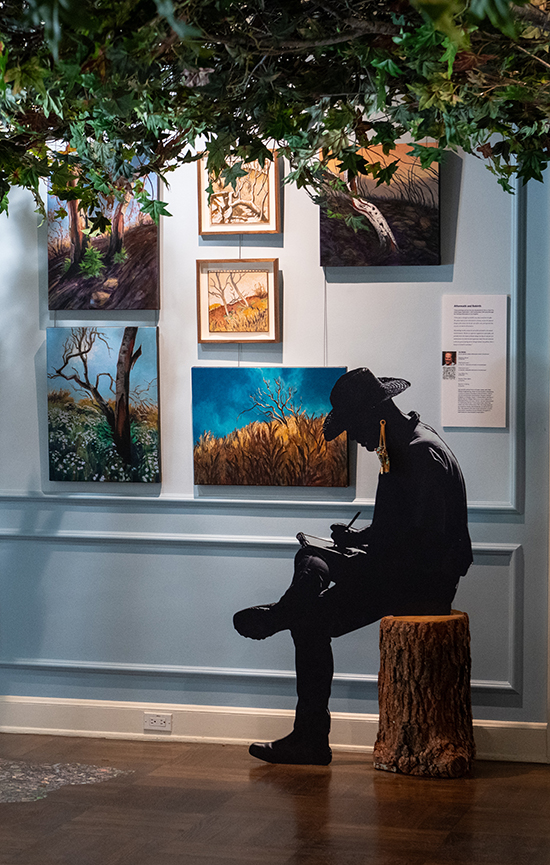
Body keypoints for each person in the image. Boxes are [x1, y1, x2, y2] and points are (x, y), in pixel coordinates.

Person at [233, 368, 473, 766]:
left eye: (356, 428)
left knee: (309, 602)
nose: (356, 440)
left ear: (375, 415)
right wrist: (358, 540)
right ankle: (292, 612)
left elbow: (426, 543)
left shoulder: (418, 453)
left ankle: (287, 619)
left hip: (421, 585)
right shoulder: (402, 443)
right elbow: (405, 525)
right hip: (400, 570)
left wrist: (368, 552)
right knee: (311, 561)